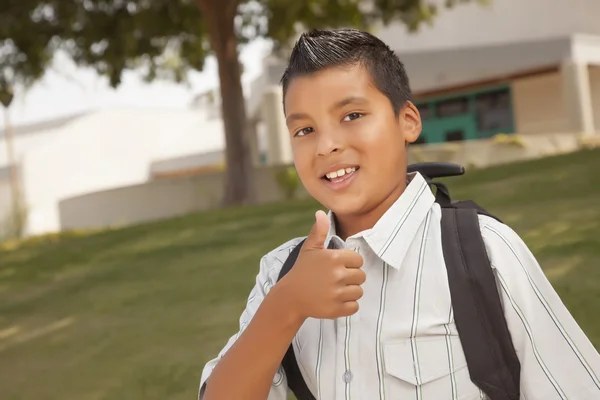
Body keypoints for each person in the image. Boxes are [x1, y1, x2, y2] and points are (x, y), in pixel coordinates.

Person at [198, 28, 600, 400]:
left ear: (407, 121)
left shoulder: (482, 252)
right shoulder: (281, 274)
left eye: (352, 116)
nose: (326, 146)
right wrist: (286, 306)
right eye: (304, 130)